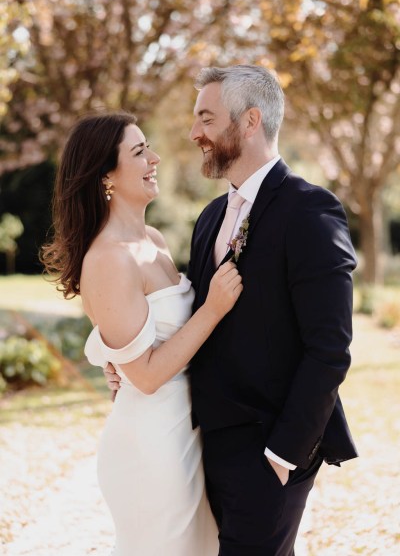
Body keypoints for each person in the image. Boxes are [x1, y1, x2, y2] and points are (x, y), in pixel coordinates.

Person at [106, 65, 358, 556]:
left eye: (206, 117)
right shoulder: (209, 219)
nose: (194, 133)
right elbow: (196, 319)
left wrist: (284, 452)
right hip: (203, 444)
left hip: (271, 448)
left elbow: (330, 348)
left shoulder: (311, 211)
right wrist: (131, 364)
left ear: (249, 121)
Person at [41, 111, 244, 556]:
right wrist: (211, 310)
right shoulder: (109, 258)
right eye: (138, 152)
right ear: (105, 176)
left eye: (147, 146)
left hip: (187, 431)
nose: (154, 158)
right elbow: (148, 376)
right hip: (154, 447)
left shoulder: (154, 239)